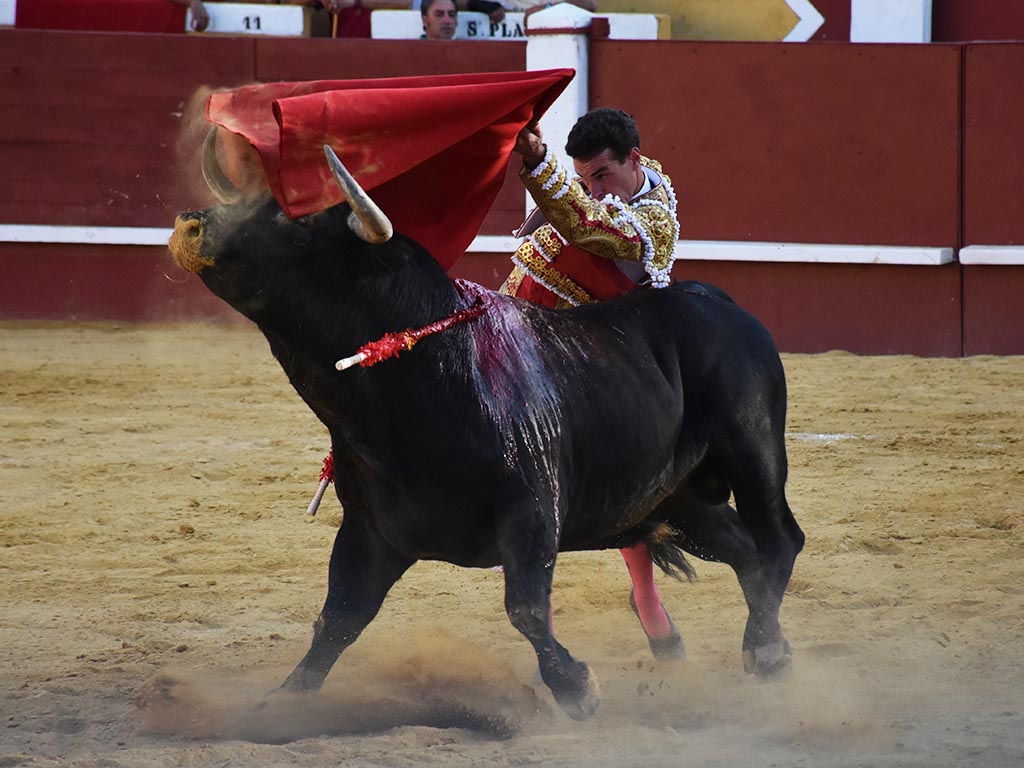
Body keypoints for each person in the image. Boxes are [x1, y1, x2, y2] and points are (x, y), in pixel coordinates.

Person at [500, 108, 683, 655]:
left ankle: (647, 597)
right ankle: (549, 638)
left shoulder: (654, 221)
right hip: (520, 325)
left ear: (633, 159)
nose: (593, 188)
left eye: (601, 176)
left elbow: (588, 228)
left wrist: (539, 169)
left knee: (632, 479)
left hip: (589, 355)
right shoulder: (620, 178)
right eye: (583, 179)